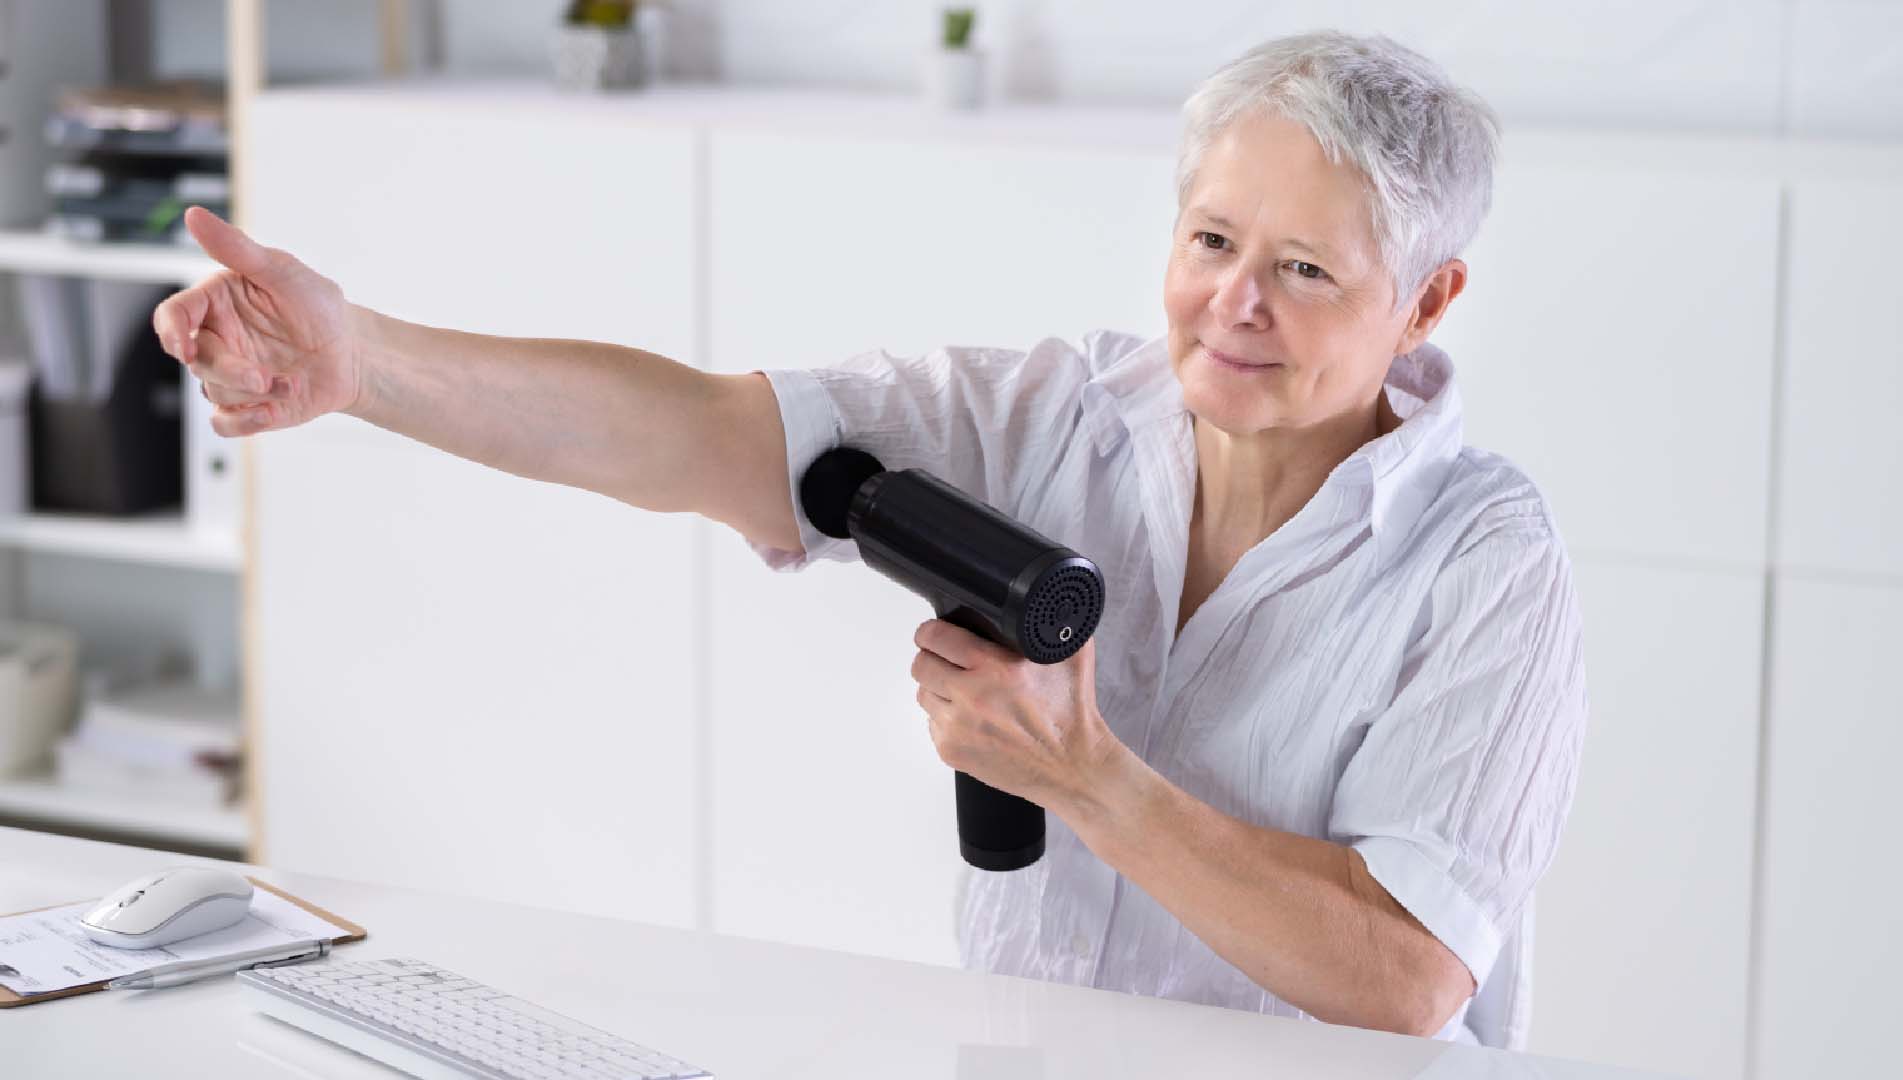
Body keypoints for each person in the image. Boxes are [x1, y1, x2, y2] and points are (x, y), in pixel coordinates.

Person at [153, 31, 1584, 1048]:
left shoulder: (1484, 567)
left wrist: (1083, 779)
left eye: (1306, 270)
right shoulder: (1054, 411)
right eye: (1212, 241)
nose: (1233, 305)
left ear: (1428, 299)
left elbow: (1406, 973)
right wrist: (364, 364)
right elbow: (704, 434)